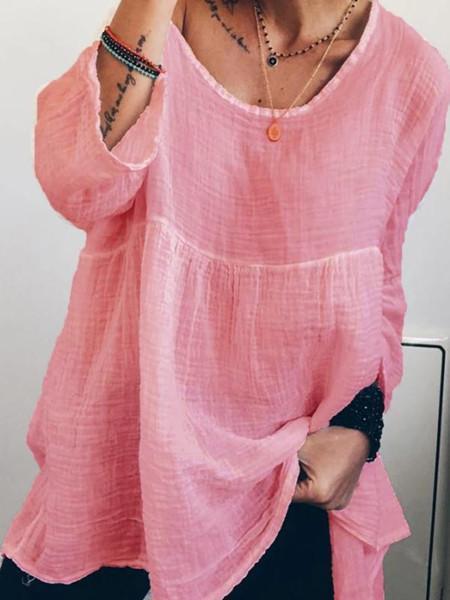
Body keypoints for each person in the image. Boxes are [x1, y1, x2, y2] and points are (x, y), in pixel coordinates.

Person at [1, 0, 450, 598]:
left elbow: (381, 284)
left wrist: (362, 428)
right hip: (119, 474)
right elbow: (77, 184)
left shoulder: (412, 76)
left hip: (287, 485)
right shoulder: (170, 22)